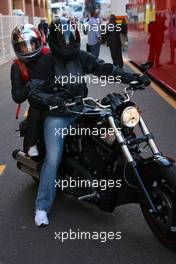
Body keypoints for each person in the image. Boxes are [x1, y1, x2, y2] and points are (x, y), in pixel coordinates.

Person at [28, 18, 151, 227]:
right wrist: (50, 99)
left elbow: (105, 69)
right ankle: (42, 207)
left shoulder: (80, 56)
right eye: (64, 40)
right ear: (55, 41)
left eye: (71, 39)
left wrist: (133, 78)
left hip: (82, 106)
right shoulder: (45, 63)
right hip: (58, 113)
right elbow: (34, 92)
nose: (68, 44)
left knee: (114, 128)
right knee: (53, 158)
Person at [11, 23, 50, 156]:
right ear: (18, 47)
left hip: (57, 94)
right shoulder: (17, 66)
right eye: (23, 45)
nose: (28, 48)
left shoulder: (47, 54)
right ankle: (32, 145)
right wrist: (31, 84)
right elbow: (17, 96)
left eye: (31, 43)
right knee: (36, 112)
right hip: (37, 102)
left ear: (36, 42)